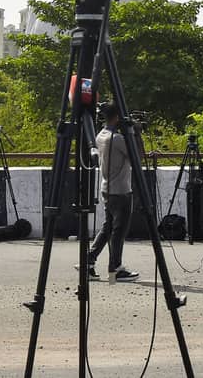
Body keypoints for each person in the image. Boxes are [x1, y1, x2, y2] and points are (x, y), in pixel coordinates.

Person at [84, 103, 139, 283]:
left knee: (108, 227)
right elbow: (136, 157)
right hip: (121, 190)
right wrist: (135, 133)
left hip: (107, 188)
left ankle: (89, 260)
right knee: (118, 231)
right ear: (117, 117)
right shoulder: (117, 139)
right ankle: (115, 268)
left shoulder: (101, 135)